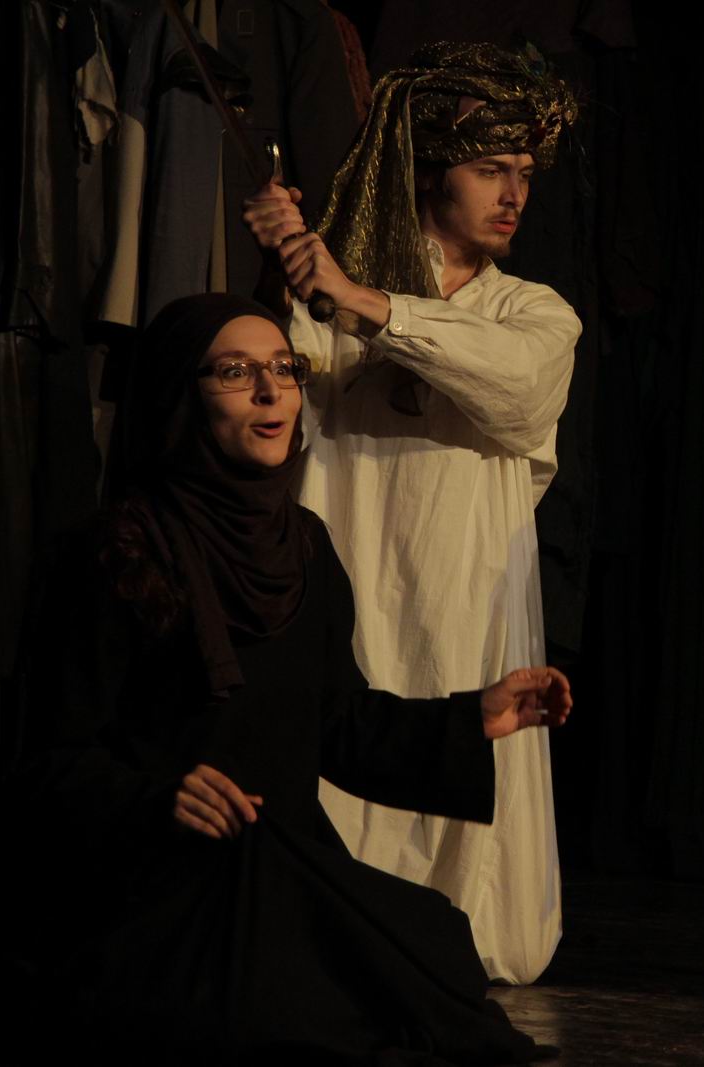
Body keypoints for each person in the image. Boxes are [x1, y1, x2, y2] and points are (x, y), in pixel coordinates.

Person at [0, 293, 570, 1064]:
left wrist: (473, 717)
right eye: (236, 372)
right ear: (181, 393)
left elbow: (336, 723)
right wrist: (158, 797)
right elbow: (45, 767)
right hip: (153, 877)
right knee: (271, 1005)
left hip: (278, 863)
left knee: (433, 949)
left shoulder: (304, 546)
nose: (271, 392)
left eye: (284, 368)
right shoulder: (114, 552)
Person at [239, 41, 580, 984]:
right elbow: (287, 394)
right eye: (490, 169)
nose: (513, 194)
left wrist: (360, 299)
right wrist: (285, 266)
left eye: (524, 173)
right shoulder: (335, 288)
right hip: (356, 565)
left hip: (469, 585)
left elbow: (516, 388)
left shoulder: (536, 312)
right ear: (431, 173)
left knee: (485, 901)